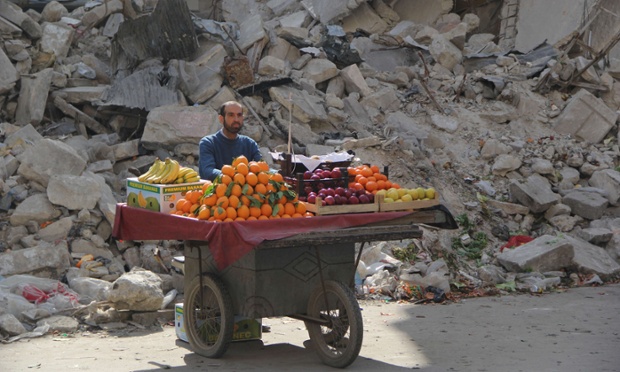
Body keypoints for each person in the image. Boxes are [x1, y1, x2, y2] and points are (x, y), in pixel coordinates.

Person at [199, 101, 262, 181]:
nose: (236, 119)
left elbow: (261, 168)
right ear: (221, 119)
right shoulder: (208, 143)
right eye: (231, 115)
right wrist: (235, 176)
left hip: (246, 192)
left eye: (239, 115)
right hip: (217, 192)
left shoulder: (250, 144)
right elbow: (208, 171)